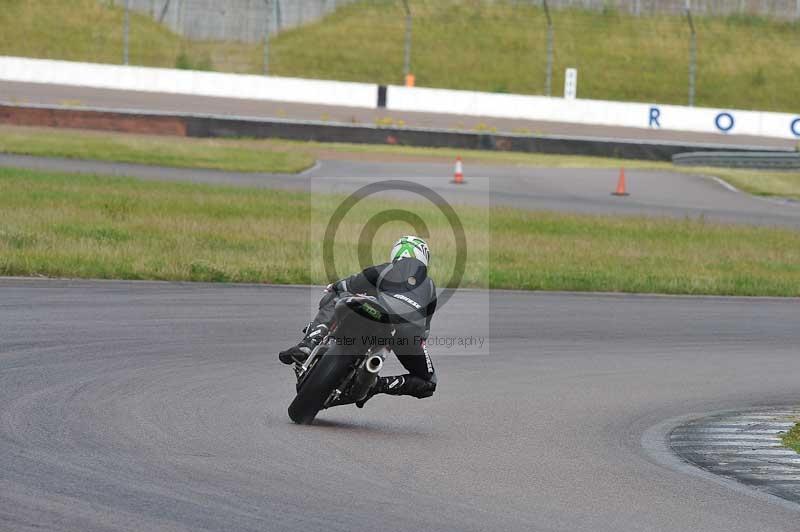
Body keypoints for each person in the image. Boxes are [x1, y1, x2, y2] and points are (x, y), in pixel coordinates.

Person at [279, 236, 437, 407]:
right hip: (408, 330)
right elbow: (425, 331)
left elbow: (351, 283)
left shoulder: (386, 269)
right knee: (428, 382)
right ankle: (376, 386)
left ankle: (310, 342)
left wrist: (335, 286)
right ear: (423, 257)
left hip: (380, 314)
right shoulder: (430, 286)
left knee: (337, 294)